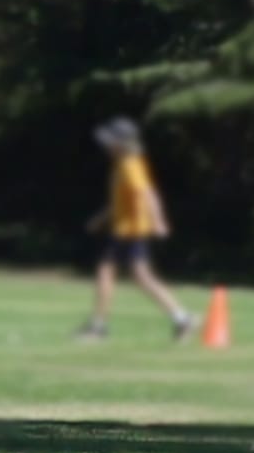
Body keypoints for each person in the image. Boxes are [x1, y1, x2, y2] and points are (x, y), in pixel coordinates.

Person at [78, 119, 195, 341]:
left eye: (110, 142)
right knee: (142, 277)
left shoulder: (130, 165)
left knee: (107, 272)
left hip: (131, 231)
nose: (106, 146)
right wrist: (100, 219)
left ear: (121, 143)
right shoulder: (122, 164)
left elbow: (147, 193)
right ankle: (182, 319)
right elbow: (119, 203)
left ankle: (98, 327)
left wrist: (158, 221)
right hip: (125, 229)